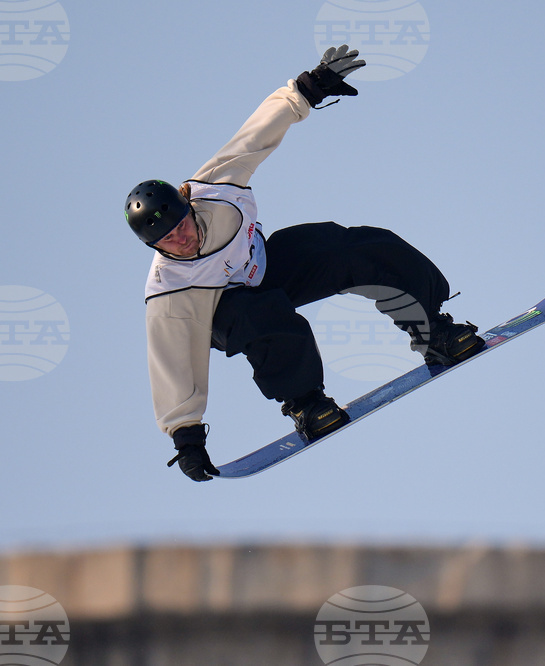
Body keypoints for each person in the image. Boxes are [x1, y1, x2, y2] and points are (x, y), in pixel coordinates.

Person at [125, 46, 485, 482]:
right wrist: (186, 437)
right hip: (225, 313)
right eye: (167, 240)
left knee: (351, 247)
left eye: (182, 225)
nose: (182, 239)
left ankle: (434, 332)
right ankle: (307, 403)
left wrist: (308, 89)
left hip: (267, 266)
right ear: (155, 246)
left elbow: (255, 134)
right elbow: (172, 361)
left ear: (186, 204)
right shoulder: (168, 291)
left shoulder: (213, 188)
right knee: (261, 314)